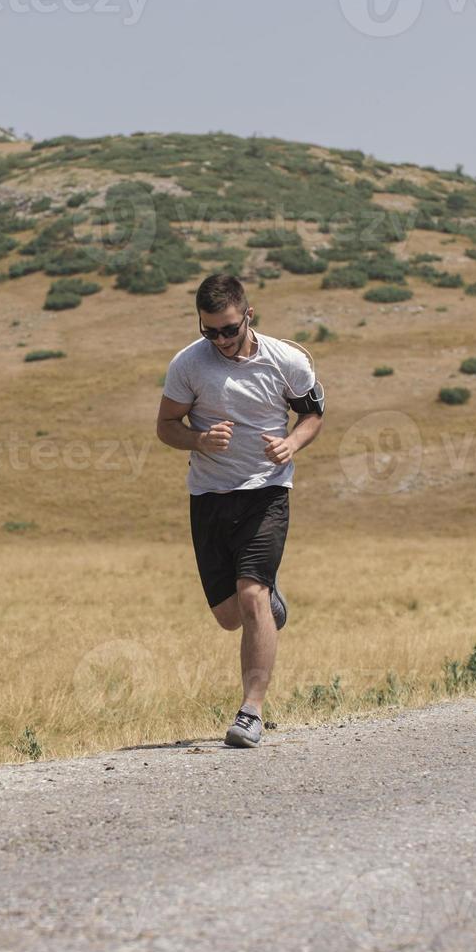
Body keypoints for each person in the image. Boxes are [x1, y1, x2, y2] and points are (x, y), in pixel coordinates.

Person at [155, 274, 325, 748]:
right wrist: (198, 439)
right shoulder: (189, 365)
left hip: (265, 491)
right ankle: (270, 604)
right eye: (210, 331)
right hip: (209, 494)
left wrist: (291, 443)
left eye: (229, 329)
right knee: (231, 615)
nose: (221, 341)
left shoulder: (286, 360)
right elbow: (166, 426)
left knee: (250, 593)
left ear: (248, 315)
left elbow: (312, 414)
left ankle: (251, 711)